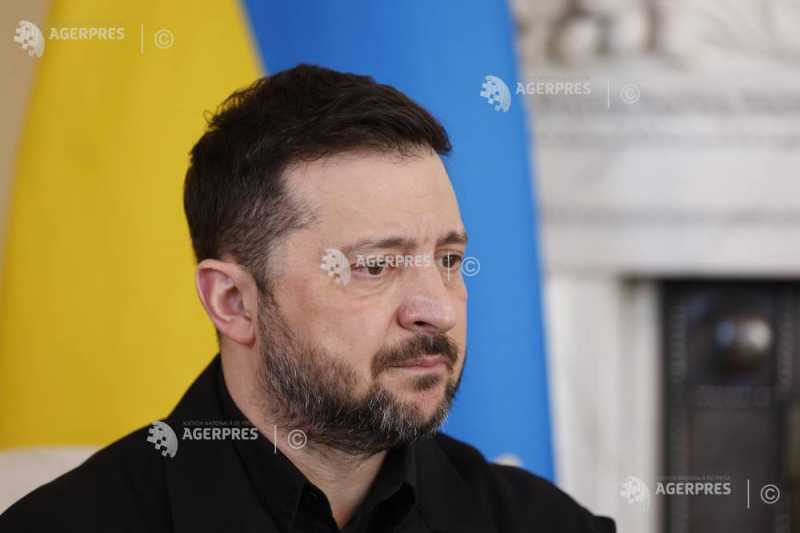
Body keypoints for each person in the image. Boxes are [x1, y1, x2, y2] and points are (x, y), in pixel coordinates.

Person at [0, 64, 614, 532]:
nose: (438, 308)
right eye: (375, 265)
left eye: (448, 260)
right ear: (233, 301)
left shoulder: (540, 523)